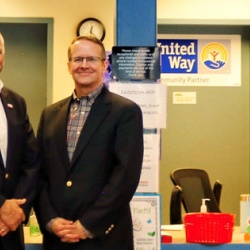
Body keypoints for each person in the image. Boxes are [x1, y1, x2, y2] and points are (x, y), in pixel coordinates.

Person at [34, 35, 144, 250]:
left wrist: (88, 224)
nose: (84, 65)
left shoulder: (125, 112)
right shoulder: (50, 114)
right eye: (78, 59)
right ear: (68, 66)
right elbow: (39, 173)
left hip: (104, 238)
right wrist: (50, 220)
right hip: (58, 238)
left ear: (104, 64)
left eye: (91, 59)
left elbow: (125, 176)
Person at [0, 32, 40, 249]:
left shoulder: (16, 102)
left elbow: (31, 161)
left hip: (9, 231)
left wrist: (17, 211)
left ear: (3, 57)